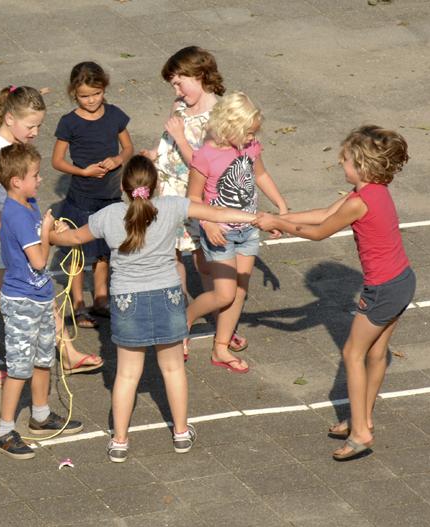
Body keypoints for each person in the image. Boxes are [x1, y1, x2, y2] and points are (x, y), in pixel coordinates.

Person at [50, 156, 257, 462]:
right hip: (167, 298)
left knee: (127, 375)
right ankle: (181, 433)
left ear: (123, 186)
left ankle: (119, 441)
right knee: (173, 369)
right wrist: (258, 219)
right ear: (155, 185)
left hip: (126, 301)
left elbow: (71, 238)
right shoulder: (171, 206)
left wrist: (49, 231)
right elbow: (215, 211)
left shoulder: (108, 215)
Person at [255, 126, 414, 461]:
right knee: (376, 354)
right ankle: (362, 418)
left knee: (352, 355)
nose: (341, 166)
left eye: (345, 161)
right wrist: (279, 218)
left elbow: (319, 232)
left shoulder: (358, 202)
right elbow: (324, 214)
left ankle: (360, 433)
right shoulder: (371, 191)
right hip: (402, 280)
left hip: (382, 289)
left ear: (362, 165)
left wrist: (279, 224)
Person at [0, 85, 102, 387]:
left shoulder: (13, 145)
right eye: (31, 126)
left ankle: (67, 350)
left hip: (15, 235)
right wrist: (8, 231)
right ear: (10, 118)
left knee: (40, 289)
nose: (35, 132)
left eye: (39, 125)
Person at [141, 46, 246, 356]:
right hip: (169, 193)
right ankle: (179, 322)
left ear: (200, 75)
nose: (176, 90)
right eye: (173, 84)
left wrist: (181, 137)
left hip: (198, 197)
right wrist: (155, 154)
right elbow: (168, 144)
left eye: (179, 82)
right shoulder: (180, 107)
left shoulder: (217, 117)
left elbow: (206, 164)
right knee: (175, 255)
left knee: (204, 258)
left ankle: (219, 320)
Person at [184, 92, 288, 373]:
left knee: (240, 291)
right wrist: (208, 223)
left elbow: (261, 175)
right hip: (219, 233)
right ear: (229, 127)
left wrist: (280, 206)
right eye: (248, 132)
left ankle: (221, 347)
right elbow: (192, 198)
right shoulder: (205, 155)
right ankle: (184, 321)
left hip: (248, 230)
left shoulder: (251, 147)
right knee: (224, 294)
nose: (252, 138)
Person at [0, 142, 83, 460]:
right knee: (19, 367)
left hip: (41, 297)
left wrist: (48, 227)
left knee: (44, 357)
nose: (40, 180)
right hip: (23, 302)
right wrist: (46, 231)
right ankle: (4, 430)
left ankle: (40, 415)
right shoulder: (17, 214)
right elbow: (40, 261)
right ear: (16, 181)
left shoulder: (27, 202)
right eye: (35, 175)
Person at [52, 61, 134, 328]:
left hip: (109, 196)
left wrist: (117, 160)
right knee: (77, 251)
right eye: (84, 96)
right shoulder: (69, 122)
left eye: (96, 94)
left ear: (104, 89)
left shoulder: (114, 115)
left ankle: (101, 299)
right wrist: (82, 172)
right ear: (74, 93)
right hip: (82, 197)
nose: (91, 100)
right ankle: (77, 305)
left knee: (104, 251)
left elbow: (128, 148)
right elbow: (57, 161)